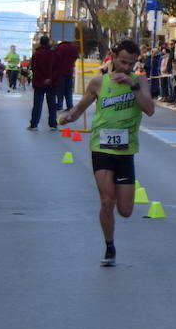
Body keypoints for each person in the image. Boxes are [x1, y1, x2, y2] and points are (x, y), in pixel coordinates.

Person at [57, 40, 156, 267]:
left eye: (131, 63)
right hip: (101, 147)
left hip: (126, 150)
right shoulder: (98, 82)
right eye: (123, 62)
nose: (126, 67)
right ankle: (109, 246)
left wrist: (132, 85)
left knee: (126, 210)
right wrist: (67, 117)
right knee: (106, 201)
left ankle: (111, 238)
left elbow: (149, 110)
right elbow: (80, 107)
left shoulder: (140, 81)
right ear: (112, 56)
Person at [27, 35, 58, 130]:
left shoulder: (36, 54)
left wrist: (42, 79)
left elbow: (34, 69)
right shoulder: (53, 54)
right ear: (48, 43)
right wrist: (50, 79)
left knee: (37, 105)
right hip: (51, 84)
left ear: (40, 43)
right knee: (52, 105)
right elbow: (56, 69)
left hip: (39, 83)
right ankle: (53, 124)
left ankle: (34, 125)